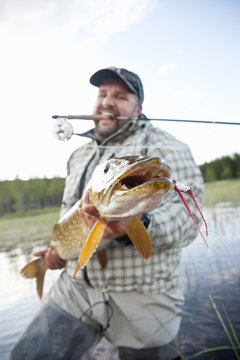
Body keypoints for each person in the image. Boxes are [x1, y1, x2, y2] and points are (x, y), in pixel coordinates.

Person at [10, 67, 204, 360]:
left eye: (120, 96)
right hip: (76, 289)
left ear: (138, 109)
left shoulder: (167, 145)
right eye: (102, 94)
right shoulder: (79, 155)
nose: (107, 101)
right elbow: (69, 215)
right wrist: (57, 253)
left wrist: (139, 225)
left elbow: (188, 219)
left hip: (143, 293)